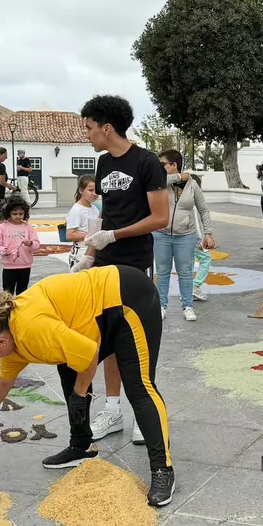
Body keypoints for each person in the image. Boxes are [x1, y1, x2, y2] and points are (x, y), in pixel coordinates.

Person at [0, 266, 176, 506]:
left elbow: (89, 353)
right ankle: (81, 446)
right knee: (69, 369)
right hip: (94, 317)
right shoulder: (8, 334)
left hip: (128, 299)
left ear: (0, 342)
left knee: (139, 386)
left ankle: (162, 469)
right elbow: (4, 382)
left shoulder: (31, 329)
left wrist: (80, 395)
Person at [70, 96, 173, 446]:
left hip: (135, 264)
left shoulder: (146, 163)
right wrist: (91, 250)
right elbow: (106, 214)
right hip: (104, 263)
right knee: (106, 338)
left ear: (106, 128)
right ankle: (112, 409)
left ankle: (143, 412)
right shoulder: (101, 163)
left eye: (89, 128)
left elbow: (161, 217)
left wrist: (115, 235)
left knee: (137, 339)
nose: (87, 135)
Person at [154, 149, 215, 321]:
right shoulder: (160, 182)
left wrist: (208, 233)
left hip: (186, 235)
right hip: (161, 234)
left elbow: (203, 209)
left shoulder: (192, 185)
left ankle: (188, 306)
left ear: (174, 165)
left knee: (185, 272)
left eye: (163, 164)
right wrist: (179, 177)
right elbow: (154, 183)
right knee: (163, 271)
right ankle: (161, 306)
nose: (160, 167)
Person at [0, 194, 40, 296]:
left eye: (21, 214)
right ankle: (7, 311)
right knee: (7, 293)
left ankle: (21, 311)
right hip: (8, 267)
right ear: (8, 213)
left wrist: (31, 244)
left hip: (25, 265)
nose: (18, 216)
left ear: (25, 213)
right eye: (14, 214)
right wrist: (3, 250)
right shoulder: (3, 227)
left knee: (23, 292)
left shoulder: (28, 227)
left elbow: (37, 244)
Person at [65, 174, 99, 270]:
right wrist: (92, 235)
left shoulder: (95, 209)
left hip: (93, 251)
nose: (94, 193)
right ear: (81, 190)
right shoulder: (76, 210)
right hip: (81, 253)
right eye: (90, 190)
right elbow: (70, 235)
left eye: (96, 190)